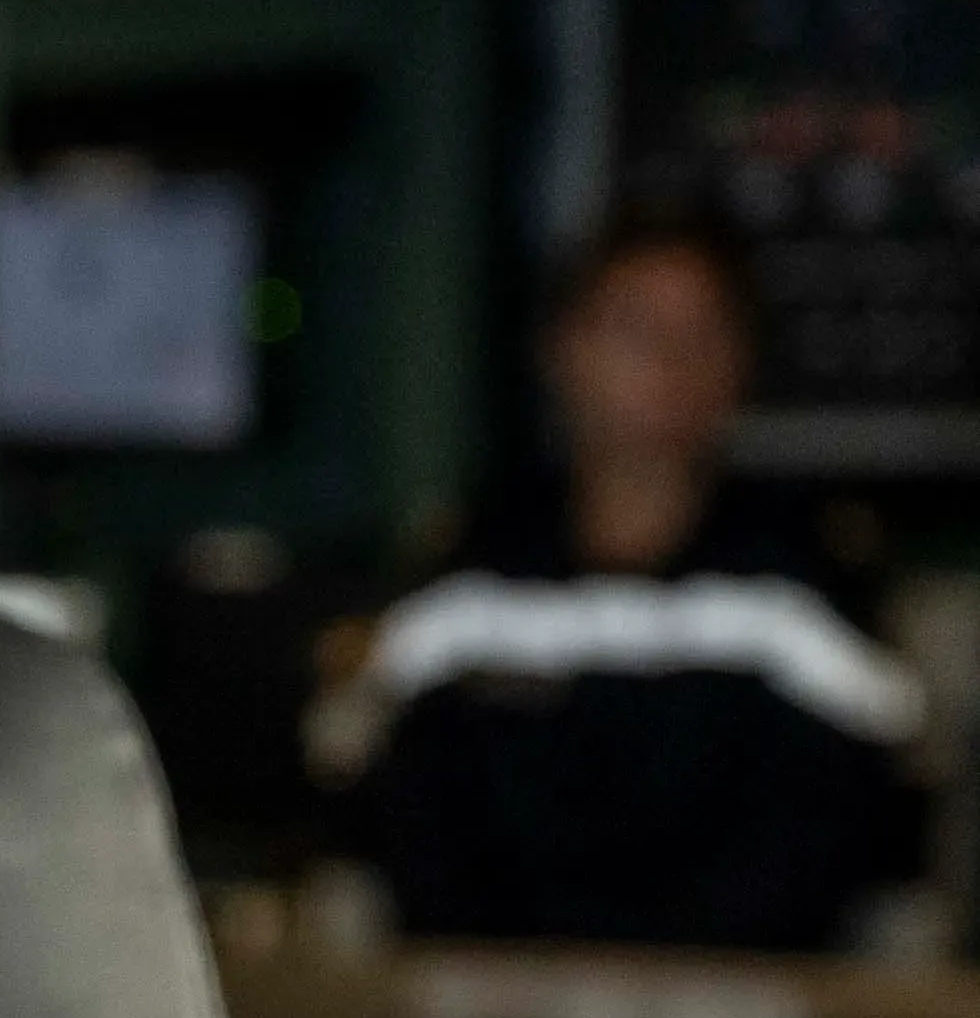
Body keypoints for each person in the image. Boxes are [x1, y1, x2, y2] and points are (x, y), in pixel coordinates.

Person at [349, 219, 927, 952]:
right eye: (635, 327)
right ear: (563, 348)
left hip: (748, 1012)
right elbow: (403, 819)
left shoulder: (806, 578)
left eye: (702, 330)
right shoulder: (471, 569)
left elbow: (846, 832)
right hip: (485, 1010)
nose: (670, 360)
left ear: (742, 362)